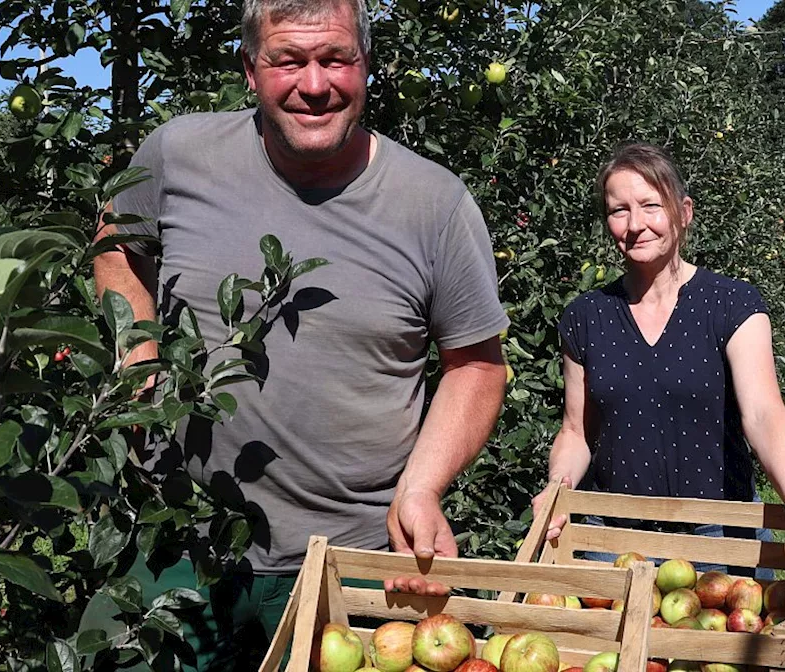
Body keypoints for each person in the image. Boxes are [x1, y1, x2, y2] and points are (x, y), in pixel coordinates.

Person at [84, 0, 509, 667]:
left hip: (353, 557)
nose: (315, 85)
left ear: (367, 67)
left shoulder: (435, 204)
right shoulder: (179, 154)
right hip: (177, 541)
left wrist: (422, 486)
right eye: (289, 60)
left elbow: (477, 364)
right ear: (250, 70)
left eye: (336, 58)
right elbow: (115, 244)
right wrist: (136, 364)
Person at [536, 143, 785, 605]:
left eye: (651, 205)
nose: (636, 225)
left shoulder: (731, 304)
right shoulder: (586, 317)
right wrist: (558, 487)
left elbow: (764, 414)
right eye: (619, 211)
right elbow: (576, 431)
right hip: (610, 539)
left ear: (683, 211)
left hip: (717, 538)